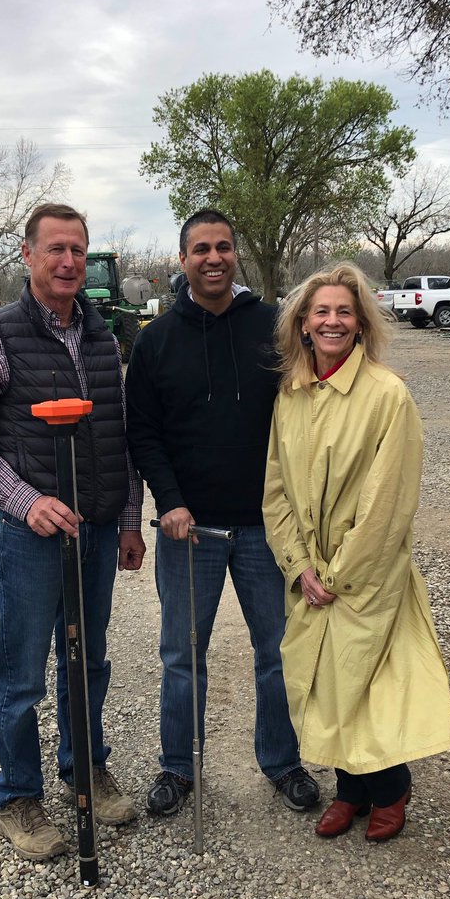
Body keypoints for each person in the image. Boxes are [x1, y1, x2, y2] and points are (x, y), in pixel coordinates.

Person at [0, 203, 145, 861]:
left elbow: (119, 437)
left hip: (93, 534)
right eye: (55, 249)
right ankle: (18, 796)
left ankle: (84, 768)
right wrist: (25, 500)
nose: (67, 262)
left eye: (78, 251)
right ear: (26, 255)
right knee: (22, 672)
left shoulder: (102, 336)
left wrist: (126, 519)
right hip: (29, 538)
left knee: (89, 660)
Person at [125, 209, 321, 816]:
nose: (214, 258)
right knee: (183, 654)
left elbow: (310, 411)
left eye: (224, 248)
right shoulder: (156, 340)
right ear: (181, 262)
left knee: (277, 648)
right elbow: (144, 432)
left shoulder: (274, 327)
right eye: (201, 249)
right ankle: (179, 768)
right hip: (192, 532)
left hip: (268, 528)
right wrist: (170, 502)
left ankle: (283, 761)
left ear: (235, 256)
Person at [263, 262, 450, 842]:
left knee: (369, 683)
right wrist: (299, 567)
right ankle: (350, 790)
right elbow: (276, 491)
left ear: (361, 323)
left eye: (344, 311)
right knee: (324, 682)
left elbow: (388, 502)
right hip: (311, 574)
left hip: (365, 574)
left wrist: (339, 575)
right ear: (302, 324)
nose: (332, 321)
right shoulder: (291, 395)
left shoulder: (387, 395)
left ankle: (390, 790)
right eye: (320, 311)